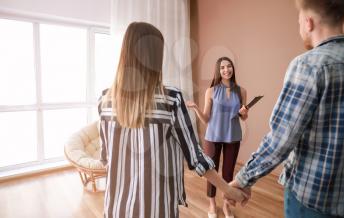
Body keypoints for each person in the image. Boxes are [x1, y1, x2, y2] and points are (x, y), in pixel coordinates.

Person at [98, 22, 247, 218]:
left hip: (115, 207)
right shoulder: (171, 99)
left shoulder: (105, 100)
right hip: (156, 206)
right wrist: (228, 190)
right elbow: (195, 158)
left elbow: (105, 159)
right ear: (156, 56)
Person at [231, 0, 344, 217]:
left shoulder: (308, 65)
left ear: (308, 23)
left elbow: (281, 138)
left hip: (312, 199)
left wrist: (243, 178)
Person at [186, 56, 249, 218]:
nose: (226, 70)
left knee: (228, 174)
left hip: (233, 137)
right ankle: (212, 204)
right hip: (213, 137)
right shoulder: (211, 91)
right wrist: (195, 108)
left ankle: (227, 206)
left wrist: (244, 113)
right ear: (218, 70)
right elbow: (206, 118)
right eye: (222, 67)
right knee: (211, 172)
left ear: (233, 69)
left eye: (229, 66)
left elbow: (243, 117)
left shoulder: (241, 91)